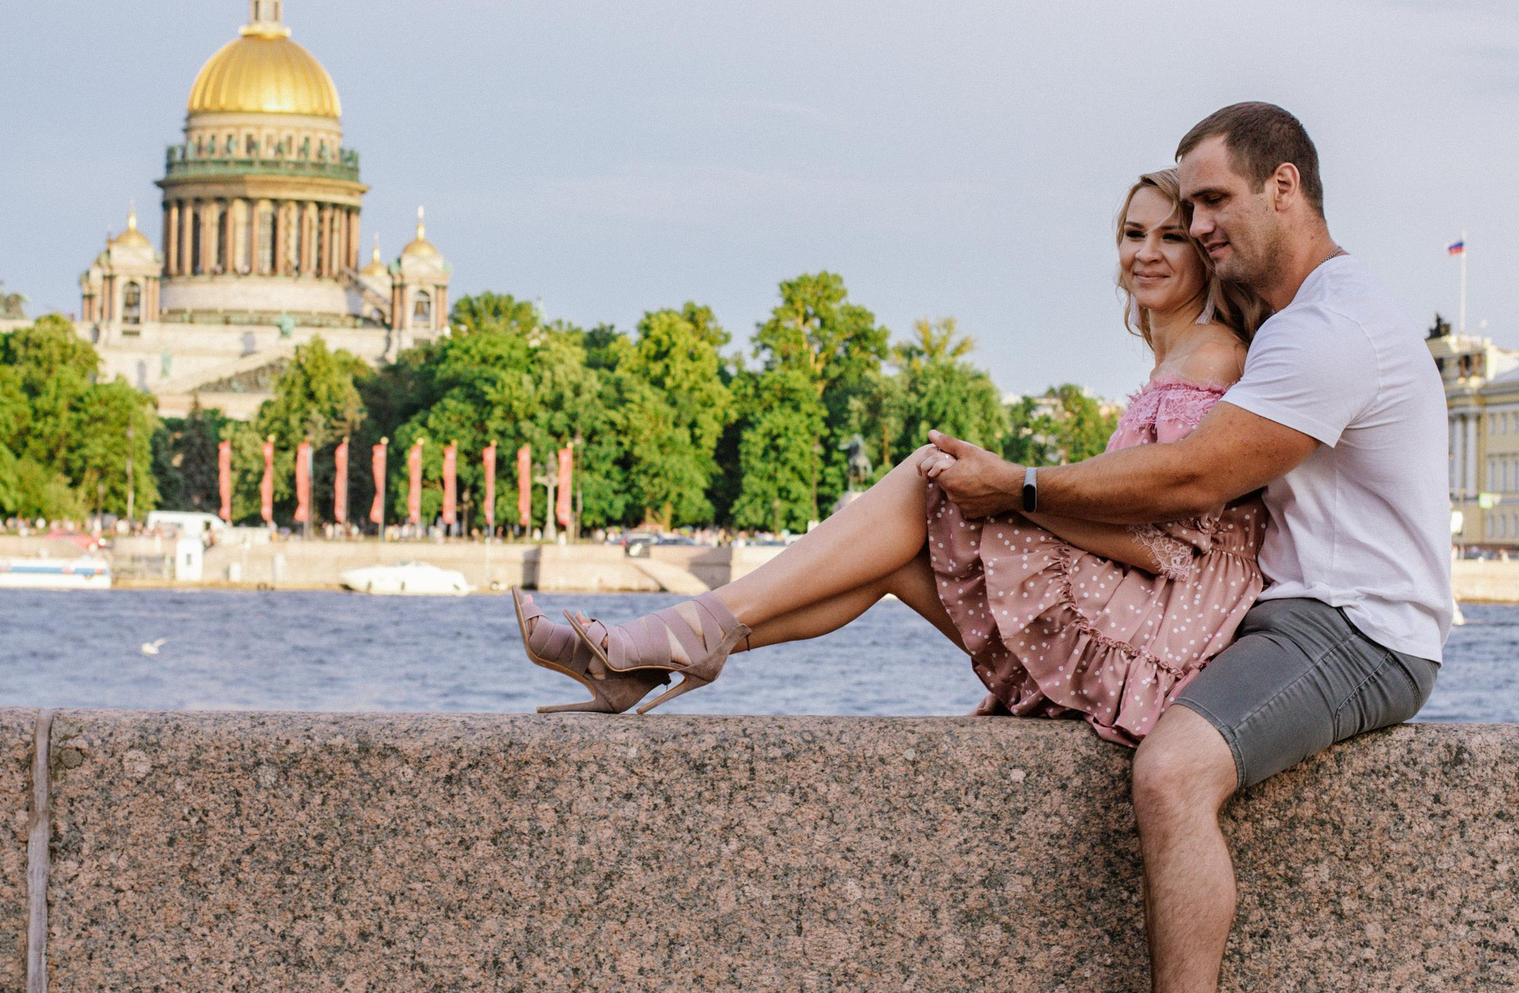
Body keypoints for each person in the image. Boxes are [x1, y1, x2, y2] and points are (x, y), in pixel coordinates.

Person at [921, 101, 1451, 993]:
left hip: (1360, 627)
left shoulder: (1330, 327)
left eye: (1212, 201)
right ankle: (697, 637)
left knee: (1172, 771)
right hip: (1279, 611)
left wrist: (1022, 487)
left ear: (1284, 187)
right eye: (1185, 205)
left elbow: (1195, 474)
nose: (1196, 225)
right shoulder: (1285, 316)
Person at [509, 164, 1274, 750]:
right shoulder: (1173, 359)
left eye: (1171, 237)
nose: (1146, 253)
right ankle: (654, 656)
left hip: (1160, 640)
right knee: (892, 558)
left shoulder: (1210, 354)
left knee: (926, 477)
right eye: (1134, 234)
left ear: (1204, 254)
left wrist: (1015, 493)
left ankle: (662, 642)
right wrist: (1012, 492)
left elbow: (1168, 546)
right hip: (1141, 617)